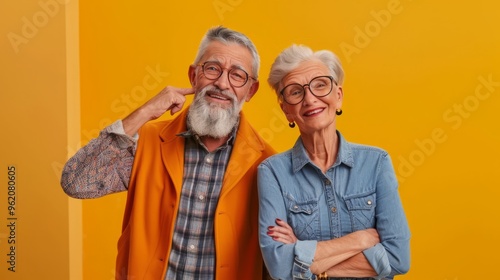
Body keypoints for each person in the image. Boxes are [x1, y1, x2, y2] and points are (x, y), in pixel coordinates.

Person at [61, 26, 275, 280]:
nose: (221, 83)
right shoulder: (149, 141)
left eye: (237, 75)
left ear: (250, 91)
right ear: (193, 75)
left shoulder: (268, 163)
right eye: (212, 69)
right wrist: (144, 113)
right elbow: (76, 182)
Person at [257, 44, 410, 279]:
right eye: (296, 92)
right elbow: (279, 268)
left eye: (320, 85)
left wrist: (307, 260)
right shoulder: (272, 172)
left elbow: (398, 258)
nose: (310, 99)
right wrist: (359, 239)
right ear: (286, 110)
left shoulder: (376, 162)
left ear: (338, 96)